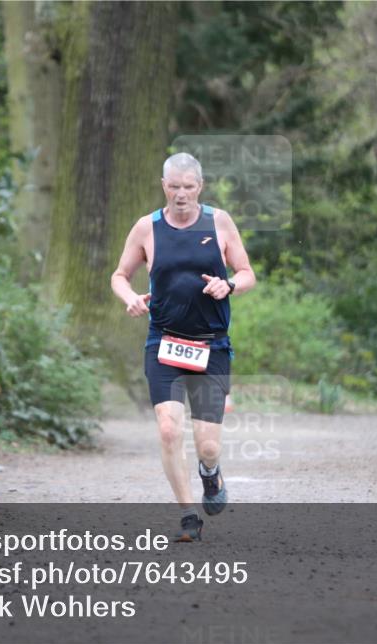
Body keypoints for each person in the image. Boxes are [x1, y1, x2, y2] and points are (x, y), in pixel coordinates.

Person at [111, 152, 256, 542]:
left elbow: (246, 273)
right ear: (164, 187)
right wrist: (129, 297)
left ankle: (210, 473)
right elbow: (120, 275)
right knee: (168, 430)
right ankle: (187, 513)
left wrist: (229, 285)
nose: (180, 195)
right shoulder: (147, 228)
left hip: (211, 346)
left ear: (200, 187)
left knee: (207, 446)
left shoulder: (219, 222)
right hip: (165, 343)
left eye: (188, 187)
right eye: (173, 187)